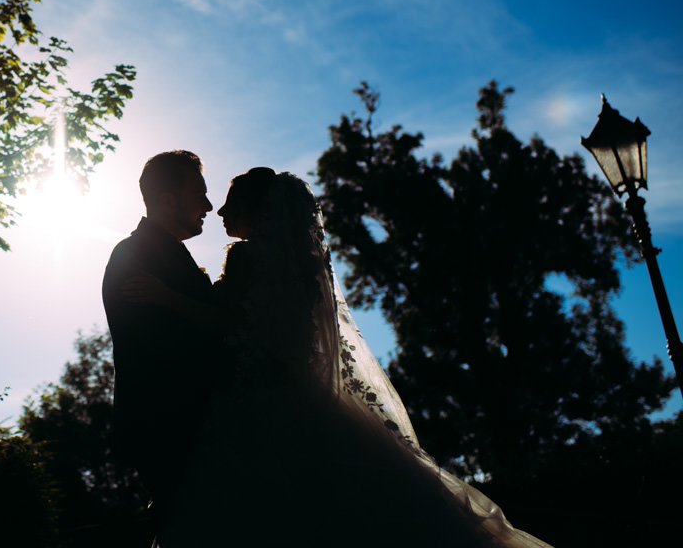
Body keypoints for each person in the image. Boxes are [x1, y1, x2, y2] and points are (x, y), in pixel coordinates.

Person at [129, 168, 554, 548]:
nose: (219, 211)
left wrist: (167, 297)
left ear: (256, 209)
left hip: (255, 405)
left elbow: (232, 324)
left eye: (230, 202)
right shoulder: (301, 270)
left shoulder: (245, 257)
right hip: (305, 400)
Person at [101, 150, 225, 539]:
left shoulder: (164, 253)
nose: (209, 206)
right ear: (168, 199)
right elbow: (164, 346)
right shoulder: (136, 255)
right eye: (199, 194)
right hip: (173, 426)